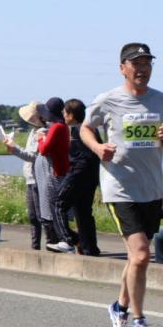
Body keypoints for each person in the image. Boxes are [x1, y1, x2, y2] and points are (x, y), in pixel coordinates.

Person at [79, 43, 163, 327]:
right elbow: (84, 128)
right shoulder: (108, 100)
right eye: (135, 63)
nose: (142, 68)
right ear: (123, 68)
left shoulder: (162, 100)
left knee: (137, 259)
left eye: (147, 63)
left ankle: (119, 308)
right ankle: (139, 322)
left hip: (151, 187)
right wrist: (98, 148)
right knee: (142, 254)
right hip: (119, 187)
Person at [3, 100, 51, 250]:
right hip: (30, 178)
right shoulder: (33, 131)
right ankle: (35, 246)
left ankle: (51, 243)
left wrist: (14, 148)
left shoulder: (44, 131)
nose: (29, 121)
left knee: (41, 215)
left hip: (38, 178)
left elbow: (34, 156)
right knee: (32, 215)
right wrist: (14, 148)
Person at [60, 98, 101, 256]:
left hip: (80, 175)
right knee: (84, 213)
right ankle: (89, 247)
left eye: (65, 112)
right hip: (91, 176)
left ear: (71, 114)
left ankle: (74, 241)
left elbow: (81, 157)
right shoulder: (91, 129)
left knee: (62, 205)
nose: (63, 114)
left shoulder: (77, 130)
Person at [38, 98, 74, 252]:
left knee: (55, 206)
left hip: (57, 172)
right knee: (58, 206)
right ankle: (67, 239)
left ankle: (65, 240)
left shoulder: (57, 127)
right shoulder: (64, 127)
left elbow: (44, 150)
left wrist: (40, 139)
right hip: (64, 171)